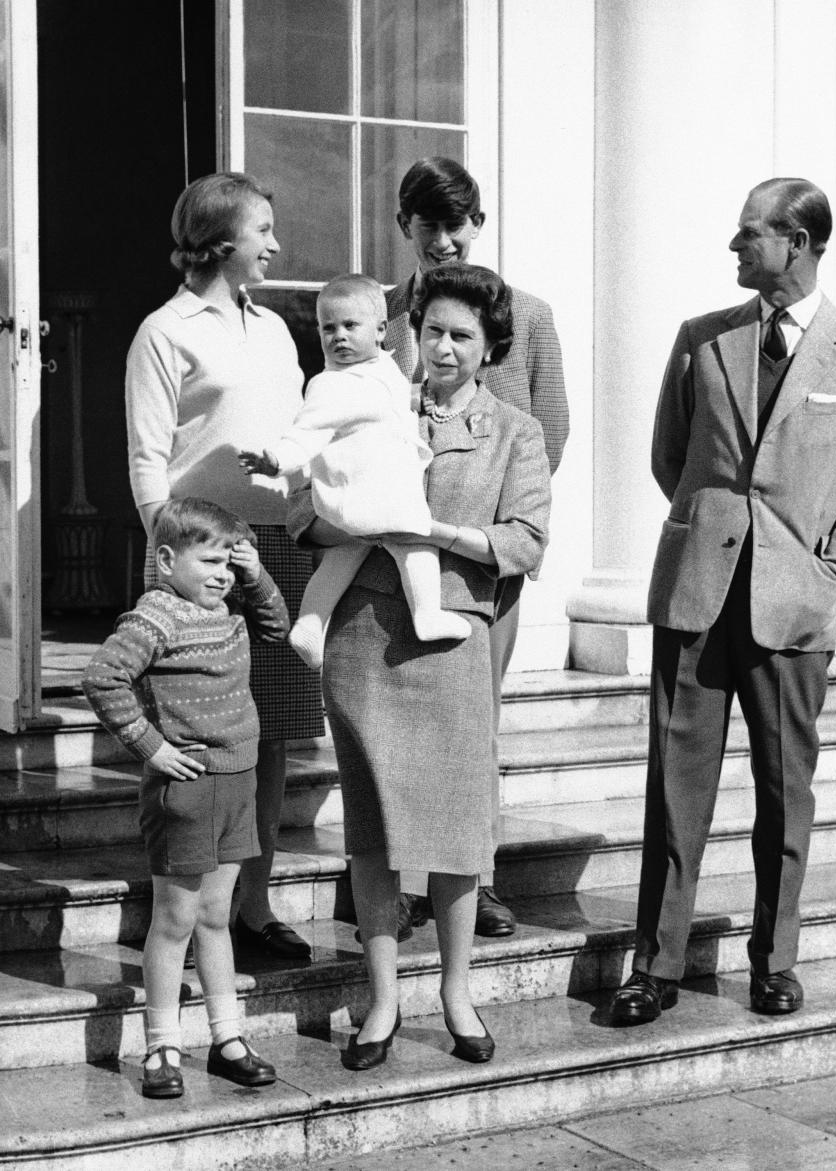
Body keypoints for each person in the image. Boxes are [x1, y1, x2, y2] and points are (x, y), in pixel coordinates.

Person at [609, 178, 836, 1026]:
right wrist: (712, 534)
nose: (734, 249)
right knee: (674, 791)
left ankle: (775, 960)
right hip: (695, 600)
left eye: (749, 236)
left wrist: (819, 570)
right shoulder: (702, 341)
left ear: (799, 242)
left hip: (793, 611)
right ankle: (657, 962)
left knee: (785, 794)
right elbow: (673, 459)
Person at [321, 262, 550, 1070]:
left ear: (490, 347)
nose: (442, 347)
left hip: (455, 632)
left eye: (461, 335)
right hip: (364, 639)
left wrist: (440, 533)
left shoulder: (517, 431)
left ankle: (457, 993)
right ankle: (381, 1000)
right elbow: (305, 512)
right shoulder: (373, 401)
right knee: (374, 830)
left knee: (457, 827)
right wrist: (335, 509)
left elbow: (525, 540)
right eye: (431, 331)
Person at [126, 172, 323, 962]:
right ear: (220, 239)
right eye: (263, 229)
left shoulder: (275, 329)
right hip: (195, 557)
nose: (275, 244)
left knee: (267, 736)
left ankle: (253, 904)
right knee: (193, 734)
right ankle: (183, 910)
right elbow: (147, 461)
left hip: (276, 548)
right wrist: (176, 561)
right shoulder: (164, 332)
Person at [382, 156, 570, 939]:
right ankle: (397, 878)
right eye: (430, 228)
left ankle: (475, 879)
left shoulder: (524, 316)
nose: (445, 242)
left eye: (458, 226)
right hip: (385, 554)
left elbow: (551, 427)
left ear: (479, 225)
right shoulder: (383, 311)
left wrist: (491, 508)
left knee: (471, 724)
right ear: (407, 229)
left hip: (482, 557)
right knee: (391, 725)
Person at [82, 498, 285, 1097]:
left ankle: (227, 1039)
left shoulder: (231, 607)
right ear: (167, 560)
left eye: (230, 562)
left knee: (217, 917)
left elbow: (276, 625)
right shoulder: (157, 617)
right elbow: (102, 677)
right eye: (210, 560)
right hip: (188, 791)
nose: (222, 574)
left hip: (240, 779)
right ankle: (162, 1047)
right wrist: (150, 748)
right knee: (175, 921)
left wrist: (257, 573)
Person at [238, 273, 470, 668]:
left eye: (349, 326)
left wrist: (417, 399)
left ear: (381, 331)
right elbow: (304, 434)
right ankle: (427, 613)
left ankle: (310, 623)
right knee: (417, 542)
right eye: (328, 328)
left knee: (345, 554)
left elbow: (391, 402)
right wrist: (276, 461)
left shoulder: (383, 369)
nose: (338, 336)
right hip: (374, 494)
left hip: (364, 497)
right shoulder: (330, 385)